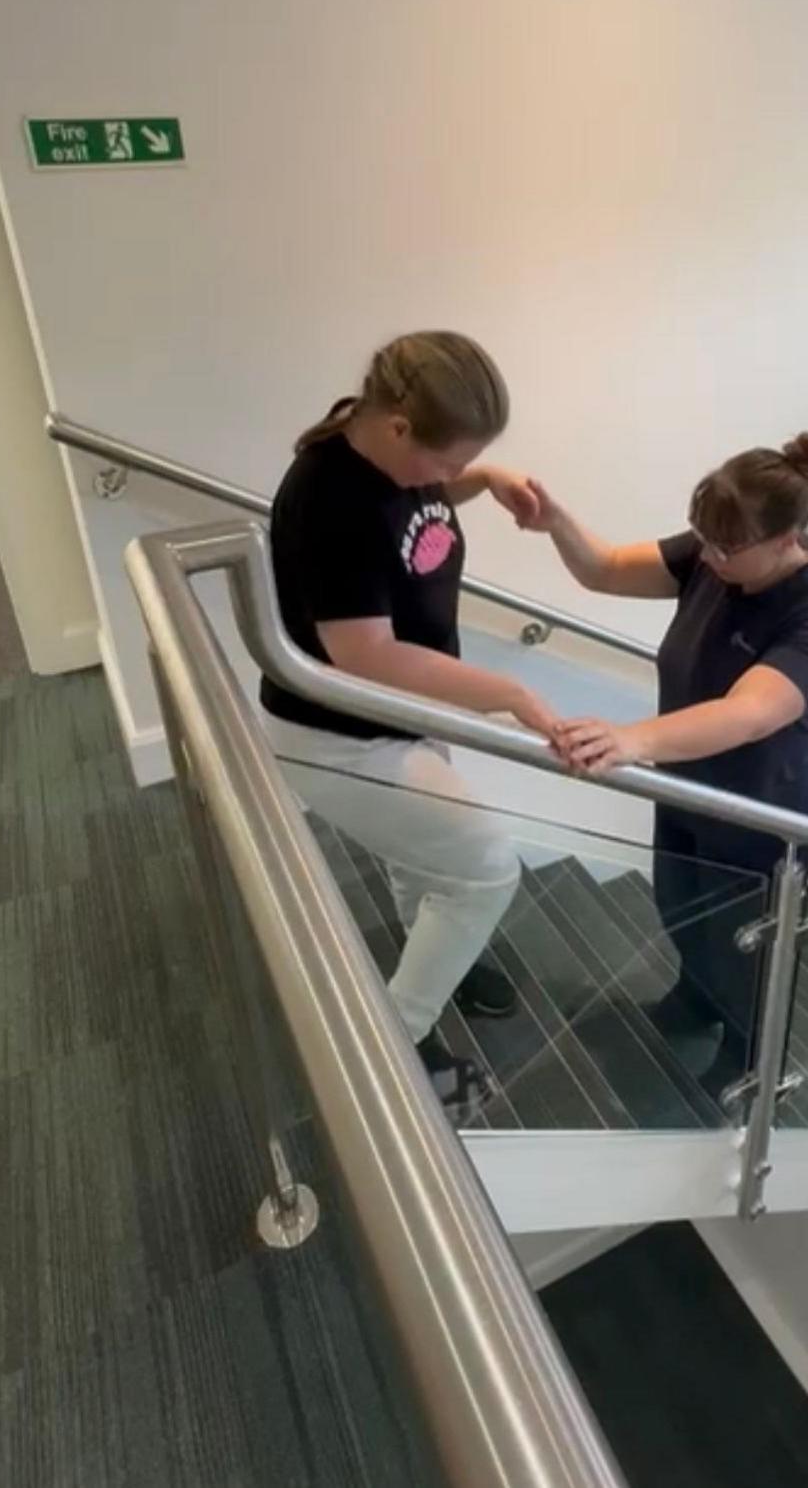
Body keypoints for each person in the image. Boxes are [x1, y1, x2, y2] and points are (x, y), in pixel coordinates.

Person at [260, 331, 559, 1116]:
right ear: (398, 428)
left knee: (420, 856)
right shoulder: (330, 497)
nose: (449, 480)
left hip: (398, 718)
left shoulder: (382, 457)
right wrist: (508, 693)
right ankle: (397, 1041)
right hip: (338, 736)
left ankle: (434, 955)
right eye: (451, 462)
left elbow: (409, 503)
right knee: (489, 867)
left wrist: (481, 478)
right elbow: (365, 656)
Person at [525, 434, 808, 1078]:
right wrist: (555, 521)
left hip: (764, 819)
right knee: (681, 908)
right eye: (701, 540)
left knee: (746, 954)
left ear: (787, 538)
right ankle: (694, 1000)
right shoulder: (715, 555)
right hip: (688, 791)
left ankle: (747, 1061)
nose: (707, 558)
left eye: (725, 550)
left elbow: (747, 713)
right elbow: (606, 569)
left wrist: (630, 739)